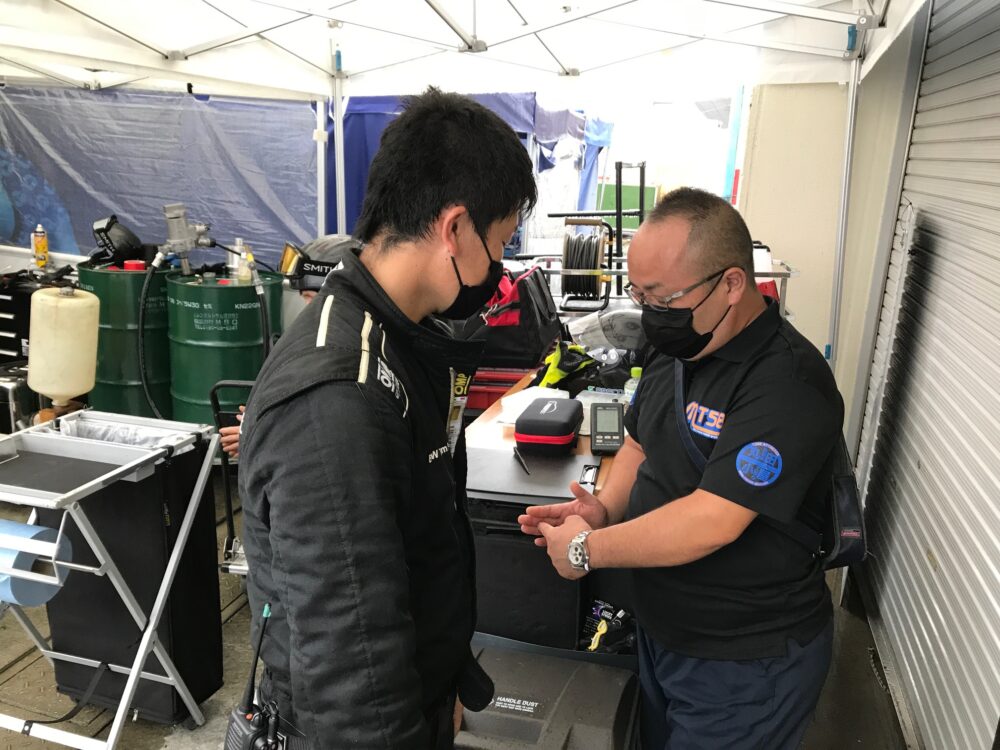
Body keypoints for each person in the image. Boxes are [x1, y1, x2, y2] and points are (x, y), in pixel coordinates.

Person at [238, 87, 536, 749]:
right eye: (499, 242)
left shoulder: (403, 336)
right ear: (454, 228)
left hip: (420, 692)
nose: (500, 266)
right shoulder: (337, 398)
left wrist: (445, 680)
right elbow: (351, 672)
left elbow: (418, 538)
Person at [519, 187, 843, 749]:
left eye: (663, 298)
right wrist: (604, 509)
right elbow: (640, 444)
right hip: (662, 632)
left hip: (744, 661)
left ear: (732, 283)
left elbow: (712, 520)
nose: (652, 314)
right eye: (640, 294)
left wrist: (586, 550)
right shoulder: (680, 346)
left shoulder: (787, 383)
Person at [218, 236, 349, 458]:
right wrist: (264, 416)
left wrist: (260, 437)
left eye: (310, 298)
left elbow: (333, 433)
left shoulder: (345, 352)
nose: (306, 309)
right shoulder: (335, 339)